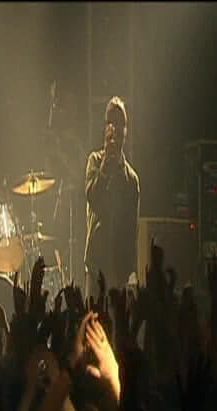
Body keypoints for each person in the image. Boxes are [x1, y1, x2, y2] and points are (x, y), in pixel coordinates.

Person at [84, 96, 140, 300]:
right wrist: (106, 164)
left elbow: (131, 229)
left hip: (119, 269)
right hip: (96, 262)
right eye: (111, 122)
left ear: (126, 131)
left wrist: (131, 271)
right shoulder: (94, 161)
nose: (116, 129)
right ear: (105, 127)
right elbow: (92, 197)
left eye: (120, 124)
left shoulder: (131, 179)